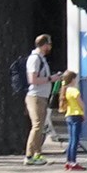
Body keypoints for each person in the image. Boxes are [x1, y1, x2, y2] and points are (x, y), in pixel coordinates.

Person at [21, 37, 58, 165]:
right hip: (35, 96)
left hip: (42, 96)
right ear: (43, 45)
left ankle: (37, 154)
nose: (50, 47)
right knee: (37, 125)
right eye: (49, 44)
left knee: (40, 126)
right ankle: (29, 155)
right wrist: (50, 79)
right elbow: (33, 80)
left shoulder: (42, 59)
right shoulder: (35, 59)